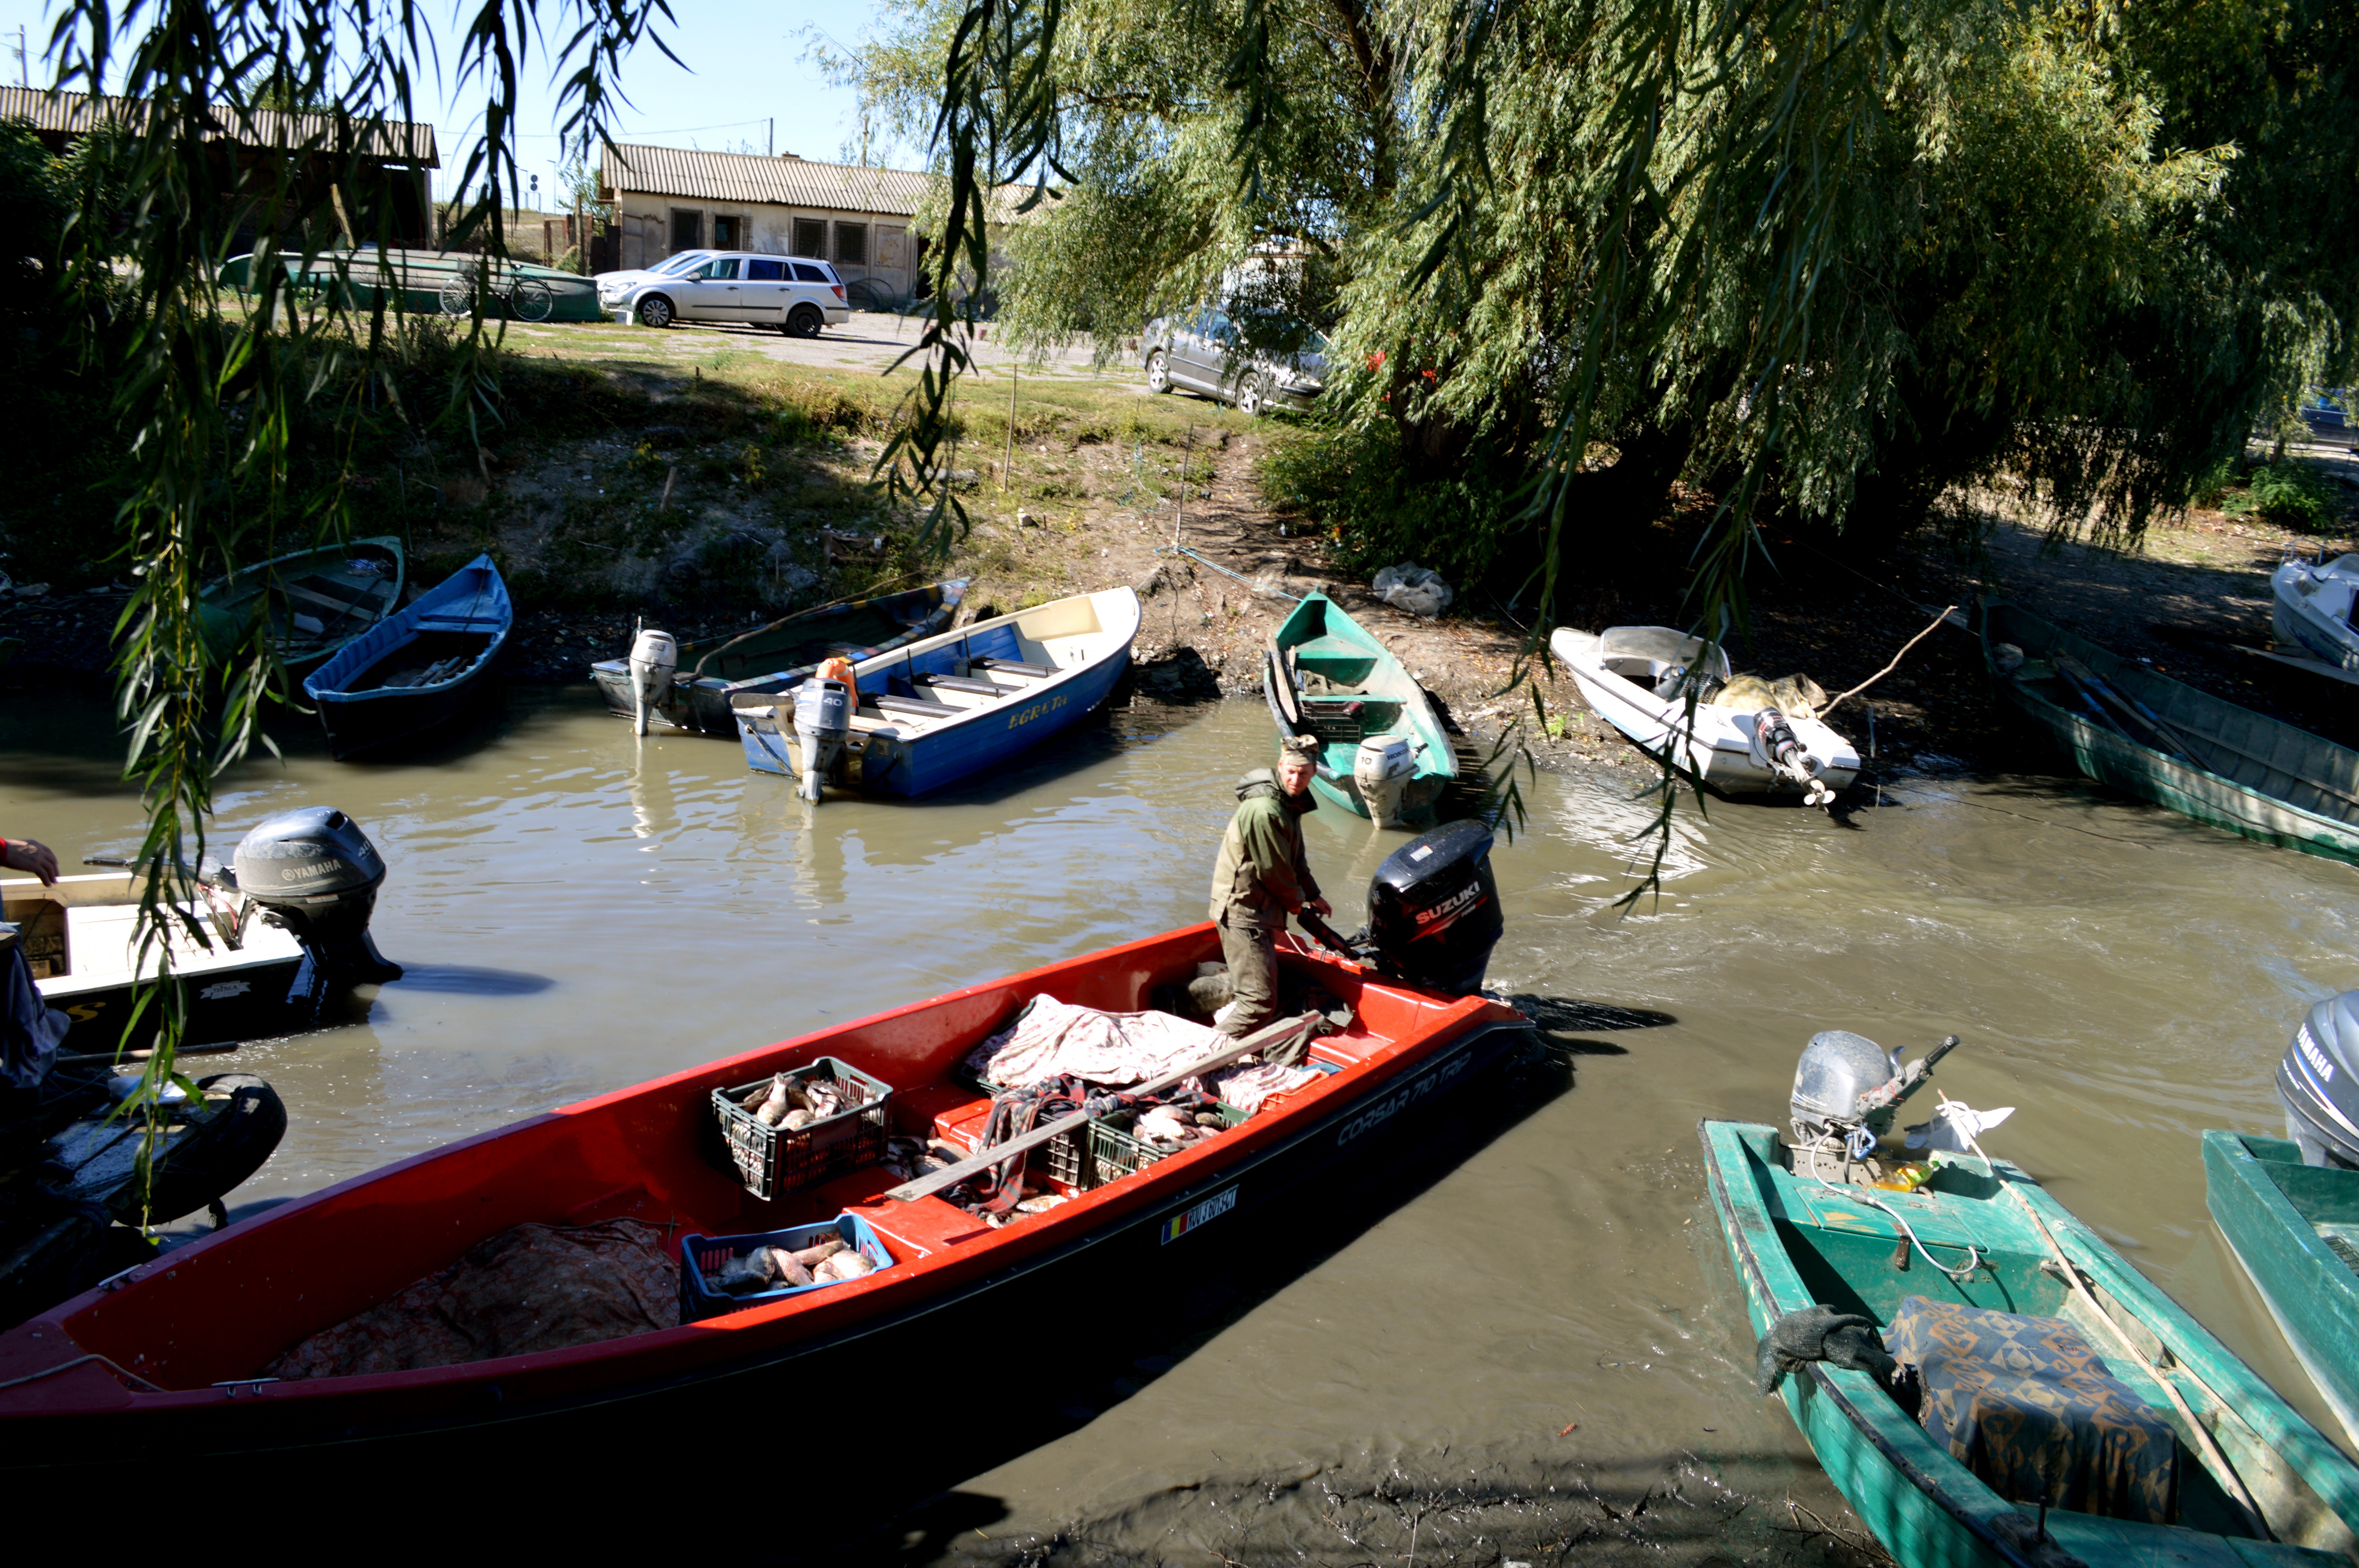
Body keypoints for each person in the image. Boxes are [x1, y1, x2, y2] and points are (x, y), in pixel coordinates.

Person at [1207, 736, 1329, 1059]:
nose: (1296, 779)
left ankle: (1182, 1004)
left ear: (1314, 774)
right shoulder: (1265, 809)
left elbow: (1294, 858)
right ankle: (1194, 1059)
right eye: (1291, 771)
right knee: (1258, 1003)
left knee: (1260, 990)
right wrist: (1297, 904)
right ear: (1280, 766)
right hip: (1243, 910)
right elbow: (1274, 871)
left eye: (1304, 774)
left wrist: (1313, 894)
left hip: (1259, 907)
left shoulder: (1289, 803)